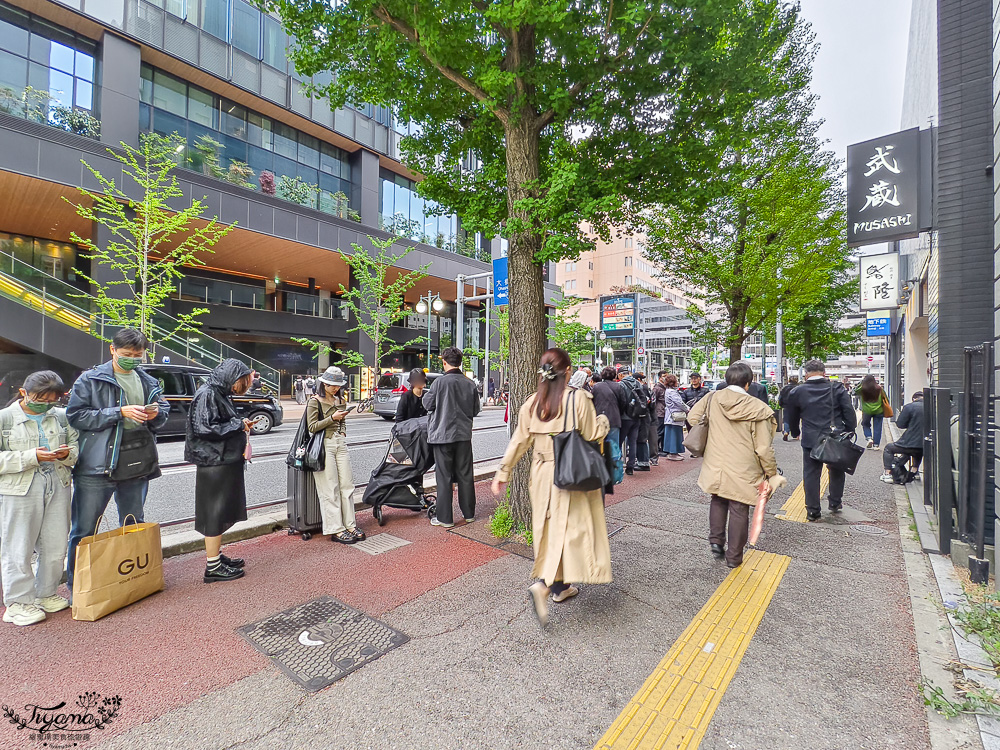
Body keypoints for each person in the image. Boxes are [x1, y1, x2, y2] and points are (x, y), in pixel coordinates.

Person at [491, 348, 611, 626]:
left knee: (549, 531)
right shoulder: (578, 399)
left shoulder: (532, 403)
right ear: (568, 371)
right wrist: (603, 421)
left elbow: (519, 441)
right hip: (572, 473)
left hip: (541, 473)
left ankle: (560, 587)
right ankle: (544, 587)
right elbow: (593, 433)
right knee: (571, 533)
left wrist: (503, 473)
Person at [65, 328, 170, 593]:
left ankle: (133, 579)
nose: (133, 359)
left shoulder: (147, 380)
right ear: (112, 350)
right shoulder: (89, 379)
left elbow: (164, 410)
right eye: (126, 354)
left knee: (133, 523)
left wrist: (155, 414)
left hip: (136, 460)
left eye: (138, 354)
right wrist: (118, 412)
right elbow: (76, 416)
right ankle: (78, 587)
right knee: (84, 529)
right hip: (96, 465)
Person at [687, 362, 785, 568]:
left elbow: (693, 417)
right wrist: (772, 473)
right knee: (739, 507)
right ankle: (734, 557)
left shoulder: (712, 397)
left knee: (718, 497)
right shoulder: (760, 409)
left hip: (716, 460)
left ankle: (715, 541)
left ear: (727, 380)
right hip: (744, 465)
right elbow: (764, 448)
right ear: (748, 384)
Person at [0, 372, 79, 625]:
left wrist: (67, 454)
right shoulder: (5, 418)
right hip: (19, 487)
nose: (45, 405)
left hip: (58, 481)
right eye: (39, 399)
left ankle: (46, 593)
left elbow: (76, 448)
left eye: (51, 401)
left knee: (56, 544)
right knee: (18, 546)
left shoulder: (61, 416)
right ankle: (17, 603)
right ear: (24, 392)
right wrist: (31, 457)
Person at [186, 360, 255, 582]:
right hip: (214, 460)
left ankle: (215, 557)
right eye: (242, 383)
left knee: (219, 509)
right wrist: (238, 425)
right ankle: (213, 565)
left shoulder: (217, 392)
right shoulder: (208, 393)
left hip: (220, 459)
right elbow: (204, 428)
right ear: (232, 379)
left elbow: (213, 424)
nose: (243, 387)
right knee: (214, 512)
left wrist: (239, 422)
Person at [783, 359, 857, 520]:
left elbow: (792, 416)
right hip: (835, 436)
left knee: (811, 473)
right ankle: (835, 502)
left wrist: (796, 432)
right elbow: (848, 411)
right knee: (837, 470)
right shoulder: (836, 388)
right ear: (824, 373)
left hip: (811, 438)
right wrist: (850, 429)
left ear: (806, 374)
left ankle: (812, 510)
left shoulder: (797, 391)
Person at [423, 347, 481, 528]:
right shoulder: (469, 383)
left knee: (444, 477)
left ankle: (445, 518)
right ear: (460, 362)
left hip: (442, 435)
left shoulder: (439, 383)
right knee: (465, 475)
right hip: (463, 435)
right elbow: (475, 410)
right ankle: (469, 513)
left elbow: (427, 404)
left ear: (444, 362)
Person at [307, 366, 363, 544]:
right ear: (324, 383)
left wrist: (343, 430)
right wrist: (333, 419)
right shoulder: (314, 401)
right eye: (332, 385)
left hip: (340, 442)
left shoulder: (340, 399)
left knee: (347, 484)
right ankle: (336, 529)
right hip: (324, 445)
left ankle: (350, 525)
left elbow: (343, 420)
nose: (335, 388)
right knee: (329, 487)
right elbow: (312, 427)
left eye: (338, 385)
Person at [881, 392, 925, 483]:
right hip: (925, 445)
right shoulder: (932, 407)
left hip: (909, 443)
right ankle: (914, 471)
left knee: (889, 448)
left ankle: (887, 473)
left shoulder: (909, 407)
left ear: (914, 399)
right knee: (918, 451)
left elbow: (900, 424)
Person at [592, 367, 626, 482]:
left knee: (598, 445)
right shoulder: (619, 386)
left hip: (599, 420)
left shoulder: (596, 387)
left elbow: (592, 402)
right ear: (615, 375)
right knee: (614, 446)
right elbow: (623, 402)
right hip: (614, 419)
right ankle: (614, 473)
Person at [617, 366, 643, 476]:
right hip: (636, 416)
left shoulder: (621, 385)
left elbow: (621, 401)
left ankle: (617, 465)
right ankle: (630, 466)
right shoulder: (638, 383)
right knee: (633, 442)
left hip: (624, 417)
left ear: (621, 375)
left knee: (618, 442)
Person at [855, 375, 887, 450]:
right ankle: (876, 445)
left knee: (865, 424)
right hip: (879, 410)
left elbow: (855, 391)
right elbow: (885, 398)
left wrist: (861, 383)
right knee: (878, 427)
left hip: (867, 411)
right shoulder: (879, 389)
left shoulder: (862, 389)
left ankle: (869, 438)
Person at [662, 374, 688, 461]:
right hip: (674, 416)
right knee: (675, 435)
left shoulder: (668, 391)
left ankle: (672, 452)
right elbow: (679, 403)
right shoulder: (672, 392)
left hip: (670, 416)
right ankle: (674, 453)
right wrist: (687, 409)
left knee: (670, 435)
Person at [635, 373, 659, 467]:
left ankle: (649, 458)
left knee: (644, 439)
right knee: (651, 438)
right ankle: (653, 458)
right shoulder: (647, 388)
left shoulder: (642, 388)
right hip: (651, 415)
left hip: (646, 416)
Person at [632, 373, 653, 471]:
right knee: (642, 439)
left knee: (641, 439)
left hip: (643, 416)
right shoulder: (646, 388)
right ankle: (642, 461)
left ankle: (643, 462)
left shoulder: (641, 388)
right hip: (646, 415)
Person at [778, 376, 800, 441]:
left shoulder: (785, 388)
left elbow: (780, 397)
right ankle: (795, 434)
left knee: (786, 419)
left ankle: (786, 431)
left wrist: (781, 404)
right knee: (796, 420)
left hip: (786, 405)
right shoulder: (798, 388)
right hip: (796, 405)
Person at [652, 371, 668, 455]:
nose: (666, 377)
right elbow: (653, 400)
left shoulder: (665, 387)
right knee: (659, 432)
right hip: (659, 413)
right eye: (664, 376)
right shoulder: (657, 388)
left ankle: (662, 448)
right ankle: (656, 449)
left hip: (664, 413)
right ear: (660, 378)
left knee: (663, 432)